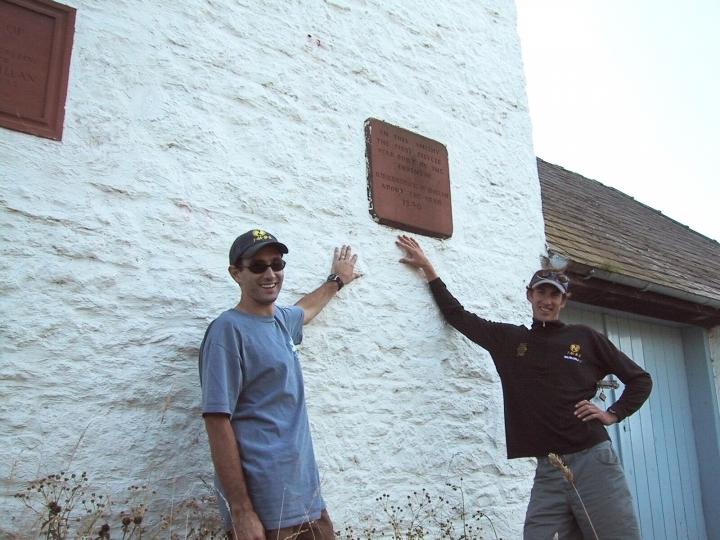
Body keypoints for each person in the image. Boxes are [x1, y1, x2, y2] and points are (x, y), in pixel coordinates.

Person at [396, 235, 652, 540]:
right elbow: (458, 316)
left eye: (554, 295)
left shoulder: (584, 337)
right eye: (540, 292)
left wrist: (612, 413)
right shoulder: (510, 340)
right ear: (529, 295)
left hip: (592, 459)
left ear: (564, 301)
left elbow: (640, 380)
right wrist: (428, 269)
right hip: (550, 467)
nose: (547, 300)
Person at [199, 229, 360, 540]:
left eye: (277, 264)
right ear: (236, 273)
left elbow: (307, 309)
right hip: (266, 507)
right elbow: (218, 423)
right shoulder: (227, 331)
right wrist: (242, 511)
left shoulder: (280, 322)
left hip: (306, 498)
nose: (270, 273)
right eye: (257, 266)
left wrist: (337, 281)